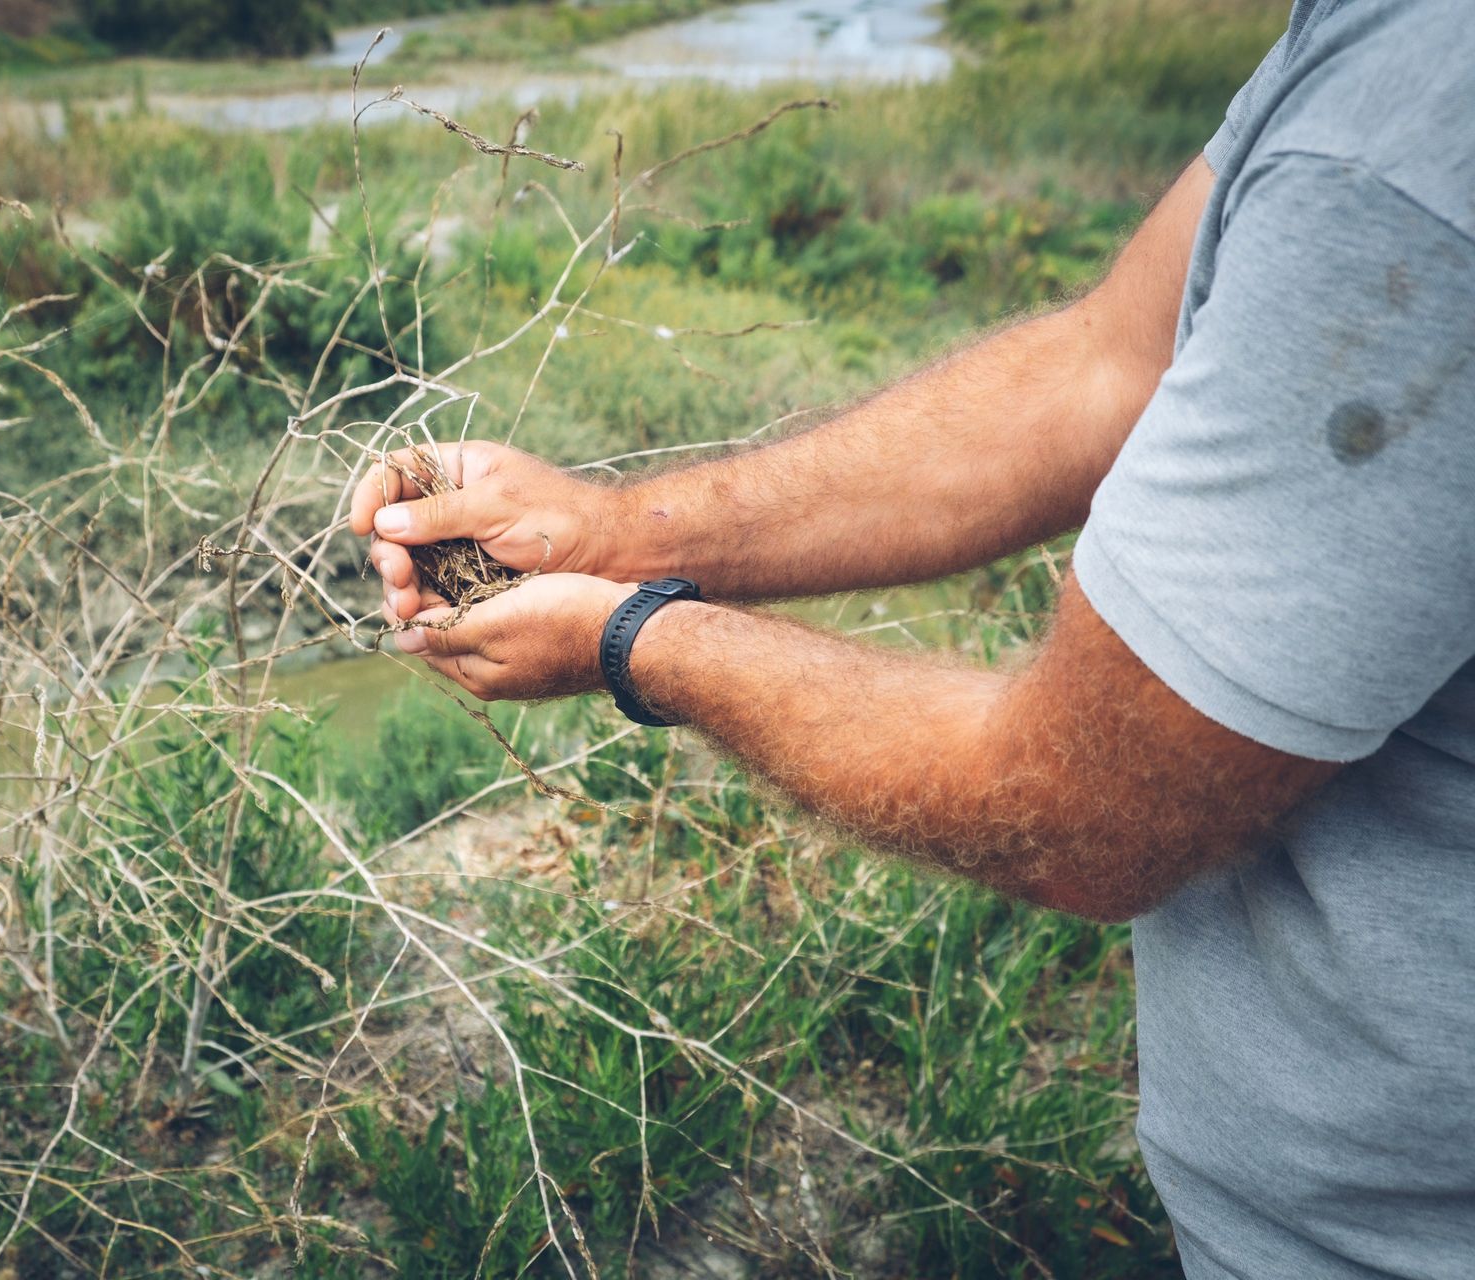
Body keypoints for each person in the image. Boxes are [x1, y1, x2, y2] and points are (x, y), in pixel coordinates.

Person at [351, 0, 1475, 1274]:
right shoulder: (1388, 34)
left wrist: (634, 640)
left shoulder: (1423, 170)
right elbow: (1108, 363)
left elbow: (1083, 805)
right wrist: (619, 530)